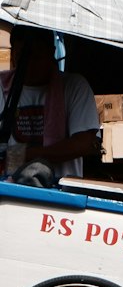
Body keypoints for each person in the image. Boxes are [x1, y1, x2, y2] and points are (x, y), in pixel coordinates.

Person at [0, 26, 99, 185]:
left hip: (62, 192)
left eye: (37, 57)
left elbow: (84, 143)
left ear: (51, 52)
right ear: (12, 56)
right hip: (11, 190)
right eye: (22, 58)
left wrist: (24, 154)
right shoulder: (1, 86)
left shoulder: (74, 86)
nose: (29, 65)